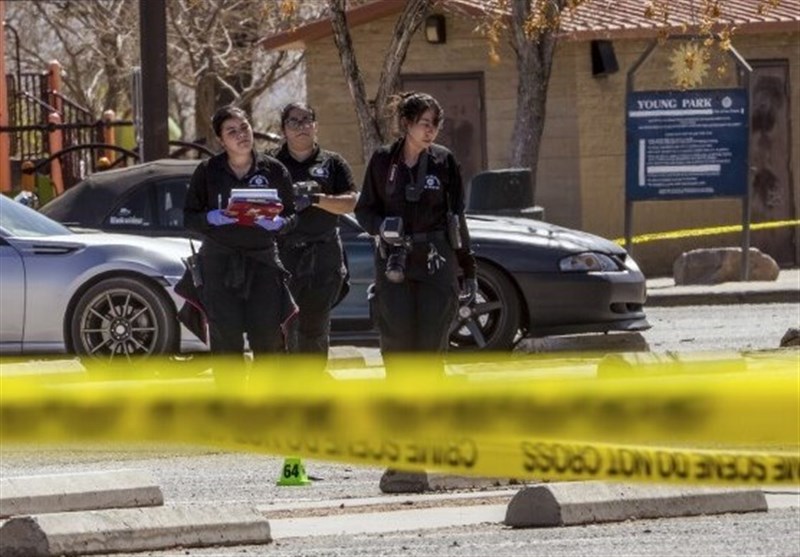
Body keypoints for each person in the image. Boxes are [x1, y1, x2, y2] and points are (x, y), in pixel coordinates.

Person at [354, 92, 476, 370]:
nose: (431, 130)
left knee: (432, 344)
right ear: (407, 123)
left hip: (436, 260)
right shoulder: (383, 159)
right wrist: (383, 227)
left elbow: (457, 218)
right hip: (394, 261)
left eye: (436, 124)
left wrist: (468, 269)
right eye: (425, 123)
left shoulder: (444, 161)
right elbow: (364, 211)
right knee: (396, 343)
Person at [183, 105, 297, 376]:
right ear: (221, 140)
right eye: (231, 131)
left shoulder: (273, 169)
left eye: (244, 127)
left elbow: (293, 215)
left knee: (267, 337)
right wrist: (211, 217)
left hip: (262, 262)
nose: (241, 135)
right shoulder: (208, 171)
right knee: (225, 339)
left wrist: (280, 223)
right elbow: (189, 217)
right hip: (219, 263)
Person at [271, 103, 358, 368]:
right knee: (280, 327)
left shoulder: (332, 163)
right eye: (294, 122)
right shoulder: (270, 163)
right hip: (283, 255)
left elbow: (350, 202)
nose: (301, 126)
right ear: (284, 129)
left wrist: (315, 198)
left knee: (314, 328)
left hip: (323, 256)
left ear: (316, 126)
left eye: (307, 120)